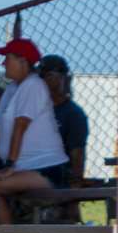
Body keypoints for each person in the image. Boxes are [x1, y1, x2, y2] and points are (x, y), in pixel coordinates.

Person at [0, 37, 69, 221]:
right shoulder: (12, 88)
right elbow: (1, 133)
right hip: (22, 167)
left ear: (22, 61)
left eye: (7, 58)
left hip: (45, 169)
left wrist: (9, 166)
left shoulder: (33, 85)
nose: (3, 63)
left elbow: (20, 126)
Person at [38, 55, 90, 186]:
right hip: (35, 172)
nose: (44, 81)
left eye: (49, 75)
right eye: (42, 77)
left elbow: (77, 153)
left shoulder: (72, 113)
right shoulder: (36, 110)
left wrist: (75, 184)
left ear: (63, 78)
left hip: (59, 177)